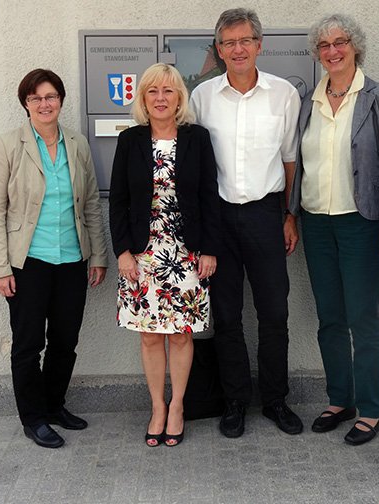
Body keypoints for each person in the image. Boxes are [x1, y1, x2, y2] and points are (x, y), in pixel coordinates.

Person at [288, 14, 379, 445]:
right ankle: (340, 399)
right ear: (317, 52)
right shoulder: (308, 102)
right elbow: (298, 165)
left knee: (362, 317)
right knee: (329, 317)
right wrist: (291, 214)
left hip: (363, 222)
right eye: (324, 45)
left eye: (340, 42)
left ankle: (372, 409)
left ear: (355, 46)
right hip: (316, 221)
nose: (332, 50)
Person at [190, 7, 303, 438]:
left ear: (259, 45)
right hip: (218, 218)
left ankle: (275, 399)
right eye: (228, 43)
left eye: (245, 41)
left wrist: (288, 214)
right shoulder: (202, 97)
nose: (237, 49)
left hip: (265, 214)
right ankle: (235, 400)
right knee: (227, 314)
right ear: (219, 50)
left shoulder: (283, 95)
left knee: (274, 311)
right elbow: (196, 167)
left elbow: (290, 159)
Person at [0, 69, 108, 449]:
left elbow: (89, 203)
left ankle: (54, 406)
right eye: (36, 98)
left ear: (61, 100)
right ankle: (33, 418)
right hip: (28, 262)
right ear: (26, 103)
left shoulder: (77, 143)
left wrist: (98, 255)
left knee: (65, 340)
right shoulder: (7, 145)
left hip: (72, 259)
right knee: (28, 343)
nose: (44, 103)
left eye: (51, 96)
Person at [109, 63, 221, 447]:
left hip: (186, 254)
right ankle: (157, 406)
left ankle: (178, 406)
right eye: (153, 91)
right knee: (150, 337)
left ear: (179, 98)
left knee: (181, 335)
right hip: (143, 255)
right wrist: (123, 252)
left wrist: (209, 249)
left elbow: (210, 197)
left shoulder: (197, 139)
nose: (160, 98)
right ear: (143, 98)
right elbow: (118, 201)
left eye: (168, 91)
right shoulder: (130, 141)